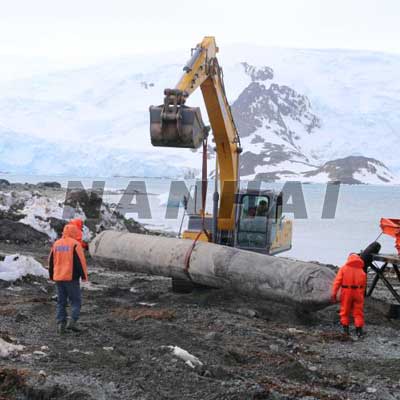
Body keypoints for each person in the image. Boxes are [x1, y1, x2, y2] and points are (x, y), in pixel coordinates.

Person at [48, 224, 88, 334]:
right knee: (76, 301)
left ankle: (61, 325)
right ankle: (73, 322)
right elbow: (80, 262)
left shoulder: (56, 244)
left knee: (61, 301)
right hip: (71, 278)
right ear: (75, 232)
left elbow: (51, 261)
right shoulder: (75, 244)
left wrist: (52, 275)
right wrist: (84, 276)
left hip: (58, 278)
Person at [331, 253, 367, 337]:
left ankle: (346, 330)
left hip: (347, 292)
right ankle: (359, 331)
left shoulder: (344, 268)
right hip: (358, 292)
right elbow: (364, 286)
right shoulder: (362, 271)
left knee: (345, 311)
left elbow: (337, 282)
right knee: (358, 312)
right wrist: (361, 295)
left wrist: (334, 294)